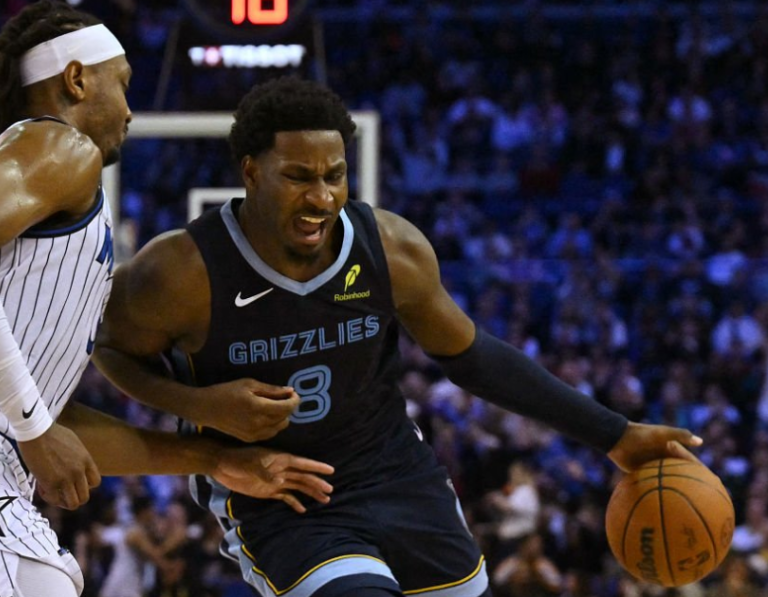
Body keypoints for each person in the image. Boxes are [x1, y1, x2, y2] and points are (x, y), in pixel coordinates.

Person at [93, 76, 704, 597]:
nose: (322, 197)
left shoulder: (391, 249)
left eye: (335, 176)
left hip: (393, 471)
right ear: (251, 172)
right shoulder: (179, 271)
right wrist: (199, 405)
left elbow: (472, 358)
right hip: (277, 490)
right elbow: (113, 352)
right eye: (299, 177)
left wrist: (613, 433)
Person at [0, 6, 332, 597]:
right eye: (121, 83)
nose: (129, 110)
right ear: (76, 80)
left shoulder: (52, 210)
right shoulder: (61, 143)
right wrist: (33, 426)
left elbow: (54, 423)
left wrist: (212, 458)